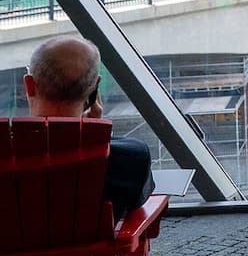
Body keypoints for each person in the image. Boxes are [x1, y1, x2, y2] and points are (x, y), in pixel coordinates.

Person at [24, 35, 155, 221]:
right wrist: (95, 134)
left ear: (29, 85)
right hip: (90, 251)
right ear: (94, 88)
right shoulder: (130, 159)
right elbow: (136, 200)